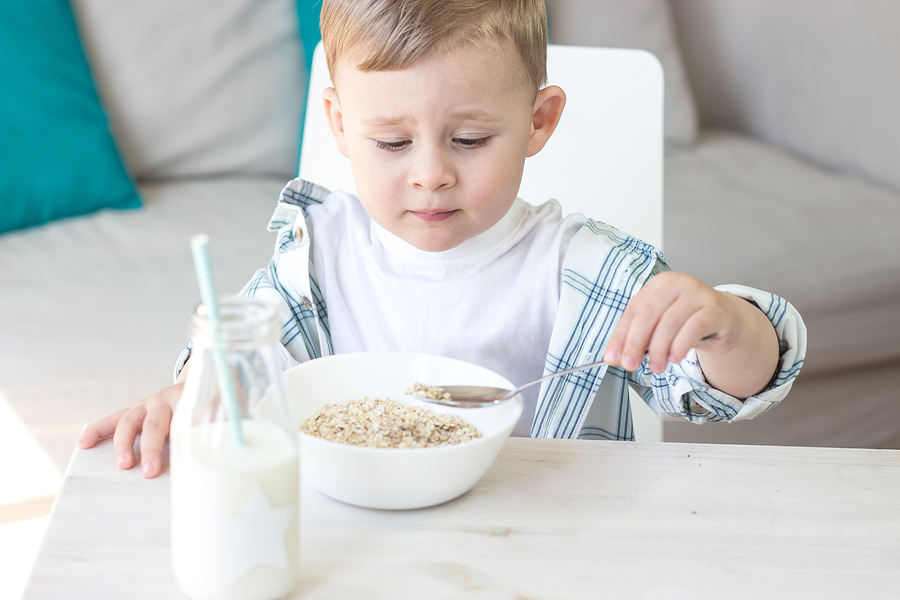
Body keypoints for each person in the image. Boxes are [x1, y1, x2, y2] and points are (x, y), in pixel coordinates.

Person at [77, 0, 806, 478]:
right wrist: (190, 393)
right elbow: (246, 360)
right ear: (338, 126)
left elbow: (725, 389)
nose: (431, 176)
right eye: (391, 142)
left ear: (538, 122)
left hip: (552, 551)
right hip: (357, 548)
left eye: (468, 138)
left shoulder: (591, 271)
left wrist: (727, 326)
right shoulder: (318, 254)